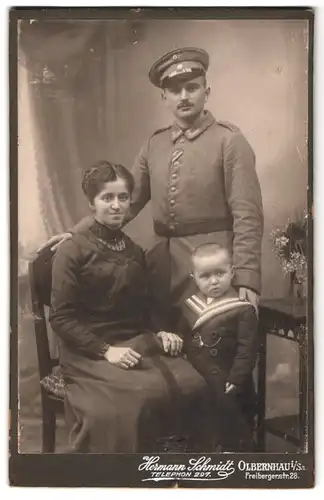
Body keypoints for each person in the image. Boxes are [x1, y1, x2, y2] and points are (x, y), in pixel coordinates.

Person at [41, 46, 263, 332]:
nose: (183, 96)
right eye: (175, 90)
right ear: (164, 97)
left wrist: (246, 276)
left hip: (211, 263)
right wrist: (77, 232)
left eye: (191, 88)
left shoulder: (229, 141)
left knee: (214, 348)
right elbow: (126, 202)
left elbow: (247, 214)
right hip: (162, 268)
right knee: (167, 345)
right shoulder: (154, 145)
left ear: (206, 93)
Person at [49, 160, 212, 453]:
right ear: (91, 203)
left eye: (122, 198)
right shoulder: (72, 250)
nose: (116, 206)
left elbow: (144, 307)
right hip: (88, 352)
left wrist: (161, 331)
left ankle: (181, 475)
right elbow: (61, 318)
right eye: (106, 198)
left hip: (135, 341)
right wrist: (106, 351)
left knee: (194, 384)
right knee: (128, 405)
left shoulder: (135, 251)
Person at [177, 242, 259, 451]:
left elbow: (247, 350)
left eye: (220, 273)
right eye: (205, 276)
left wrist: (237, 378)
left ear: (232, 273)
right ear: (193, 278)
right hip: (198, 380)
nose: (214, 281)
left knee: (234, 430)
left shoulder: (242, 309)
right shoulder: (189, 306)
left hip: (229, 382)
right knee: (203, 429)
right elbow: (182, 338)